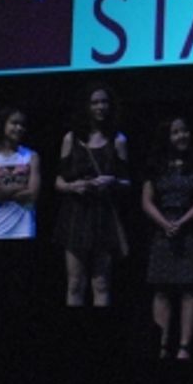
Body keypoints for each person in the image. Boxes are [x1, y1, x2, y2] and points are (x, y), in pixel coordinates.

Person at [139, 116, 193, 360]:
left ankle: (184, 347)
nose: (182, 136)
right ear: (167, 137)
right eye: (176, 132)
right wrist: (163, 223)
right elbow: (146, 201)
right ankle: (161, 346)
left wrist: (182, 222)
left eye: (185, 131)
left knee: (189, 289)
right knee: (161, 290)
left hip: (189, 228)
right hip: (162, 229)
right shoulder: (155, 164)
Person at [53, 83, 130, 307]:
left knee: (101, 283)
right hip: (75, 215)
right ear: (86, 106)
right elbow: (58, 181)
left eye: (104, 102)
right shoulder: (71, 138)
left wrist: (112, 181)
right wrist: (72, 187)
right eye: (95, 102)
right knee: (75, 282)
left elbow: (128, 182)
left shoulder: (119, 139)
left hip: (103, 215)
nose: (100, 107)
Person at [0, 106, 41, 357]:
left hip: (22, 230)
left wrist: (1, 188)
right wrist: (17, 189)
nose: (18, 129)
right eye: (14, 123)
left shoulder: (31, 156)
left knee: (20, 291)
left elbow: (33, 193)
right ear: (3, 124)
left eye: (22, 125)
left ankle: (18, 342)